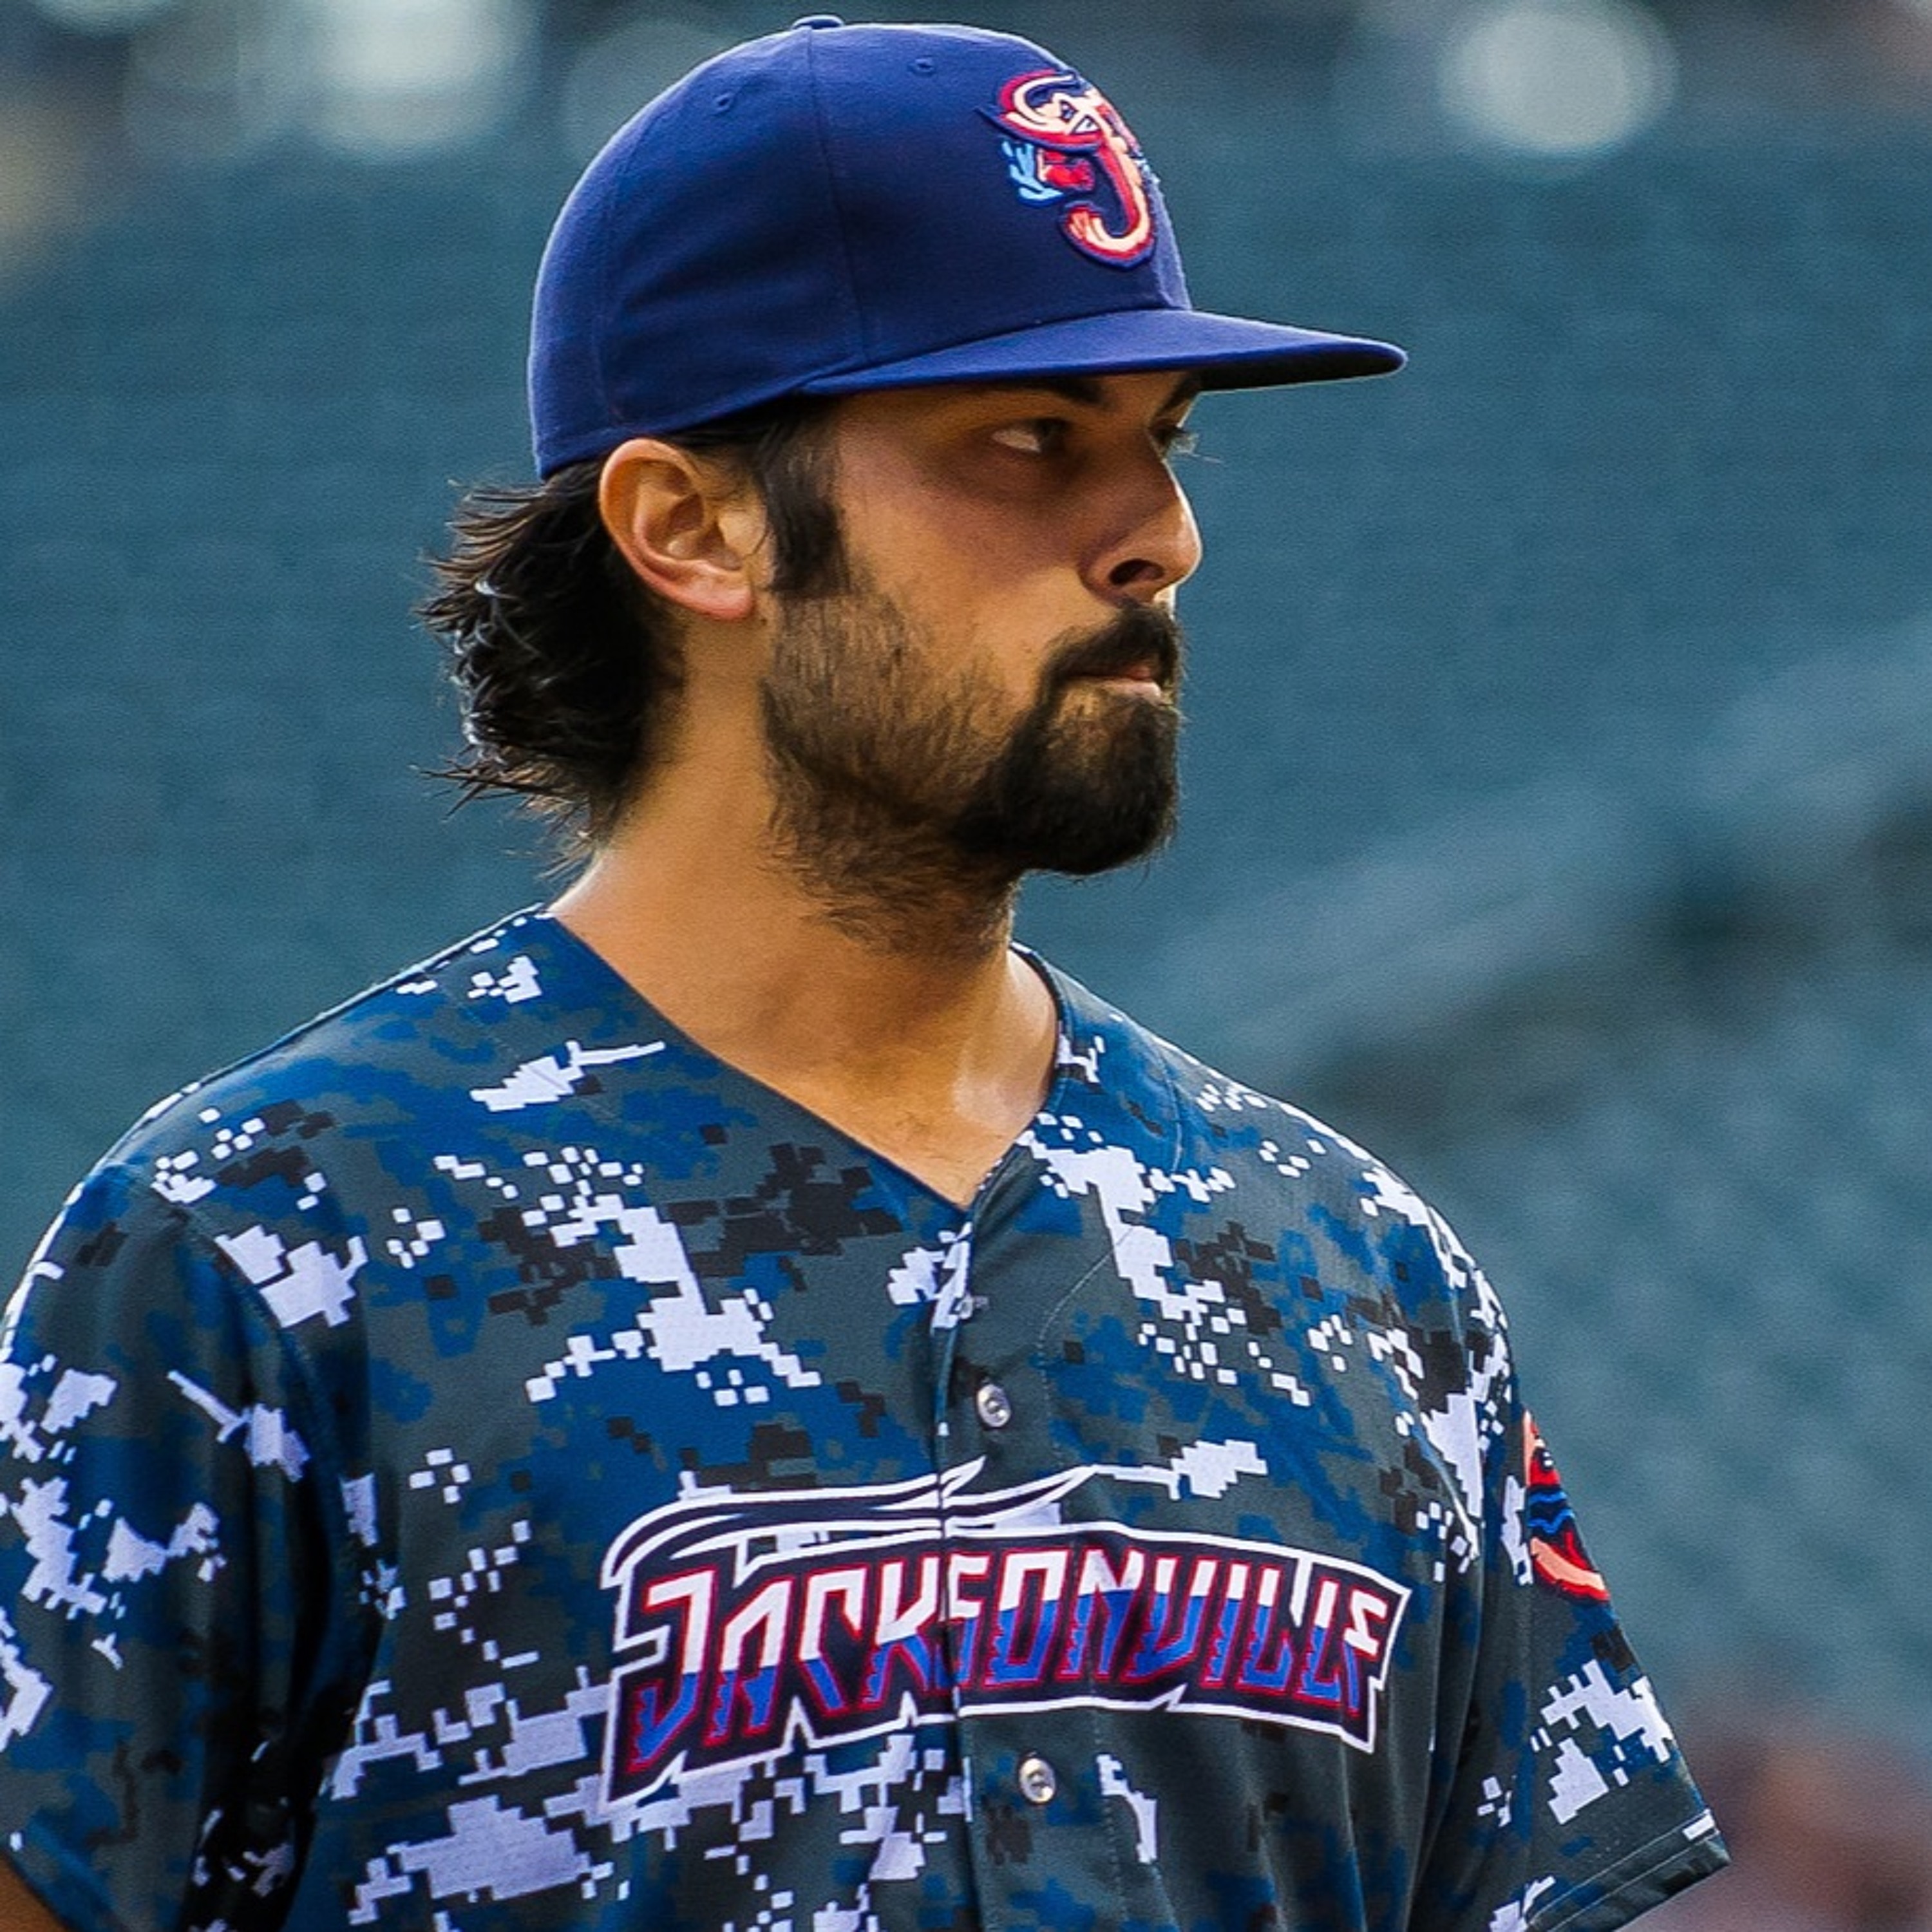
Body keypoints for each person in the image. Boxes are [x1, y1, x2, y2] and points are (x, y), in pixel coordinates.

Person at [0, 17, 1728, 1931]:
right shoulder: (256, 1252)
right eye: (1034, 440)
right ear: (692, 527)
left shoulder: (1359, 1275)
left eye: (1161, 442)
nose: (1160, 537)